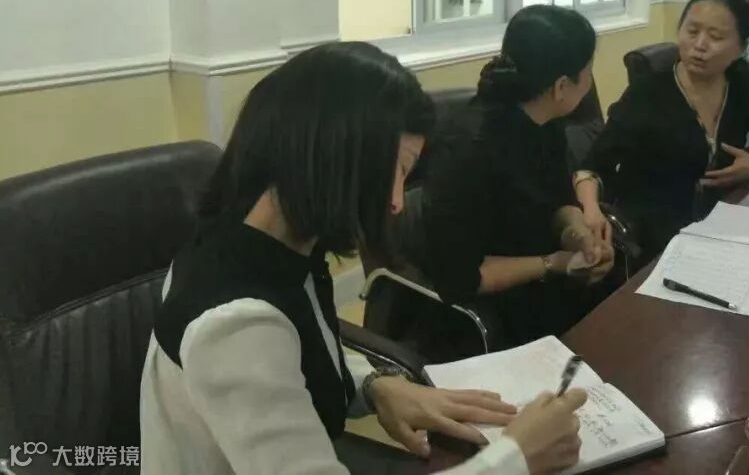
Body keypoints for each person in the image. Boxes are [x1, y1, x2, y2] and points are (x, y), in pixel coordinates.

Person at [140, 42, 587, 475]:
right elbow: (263, 354)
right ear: (334, 156)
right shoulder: (236, 324)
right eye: (396, 172)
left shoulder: (256, 243)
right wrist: (517, 458)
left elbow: (299, 353)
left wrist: (374, 386)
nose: (397, 202)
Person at [574, 0, 749, 262]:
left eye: (716, 37)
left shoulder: (739, 91)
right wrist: (591, 212)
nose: (700, 45)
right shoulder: (647, 94)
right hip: (652, 243)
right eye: (692, 32)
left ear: (740, 48)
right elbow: (591, 168)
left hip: (723, 232)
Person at [422, 6, 615, 348]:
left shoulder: (544, 122)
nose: (590, 81)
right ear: (561, 86)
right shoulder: (470, 149)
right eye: (588, 70)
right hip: (492, 313)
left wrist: (578, 235)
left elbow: (557, 199)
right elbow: (462, 279)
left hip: (545, 286)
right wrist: (552, 264)